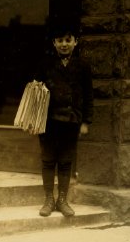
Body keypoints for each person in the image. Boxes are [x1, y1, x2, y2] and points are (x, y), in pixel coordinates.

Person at [36, 24, 94, 217]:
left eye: (68, 40)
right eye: (60, 40)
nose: (64, 44)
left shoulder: (83, 67)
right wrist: (35, 119)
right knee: (48, 160)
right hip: (48, 122)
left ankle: (62, 200)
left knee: (66, 161)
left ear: (75, 42)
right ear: (54, 43)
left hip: (71, 121)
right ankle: (48, 200)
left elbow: (88, 96)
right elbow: (35, 93)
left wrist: (86, 122)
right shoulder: (45, 65)